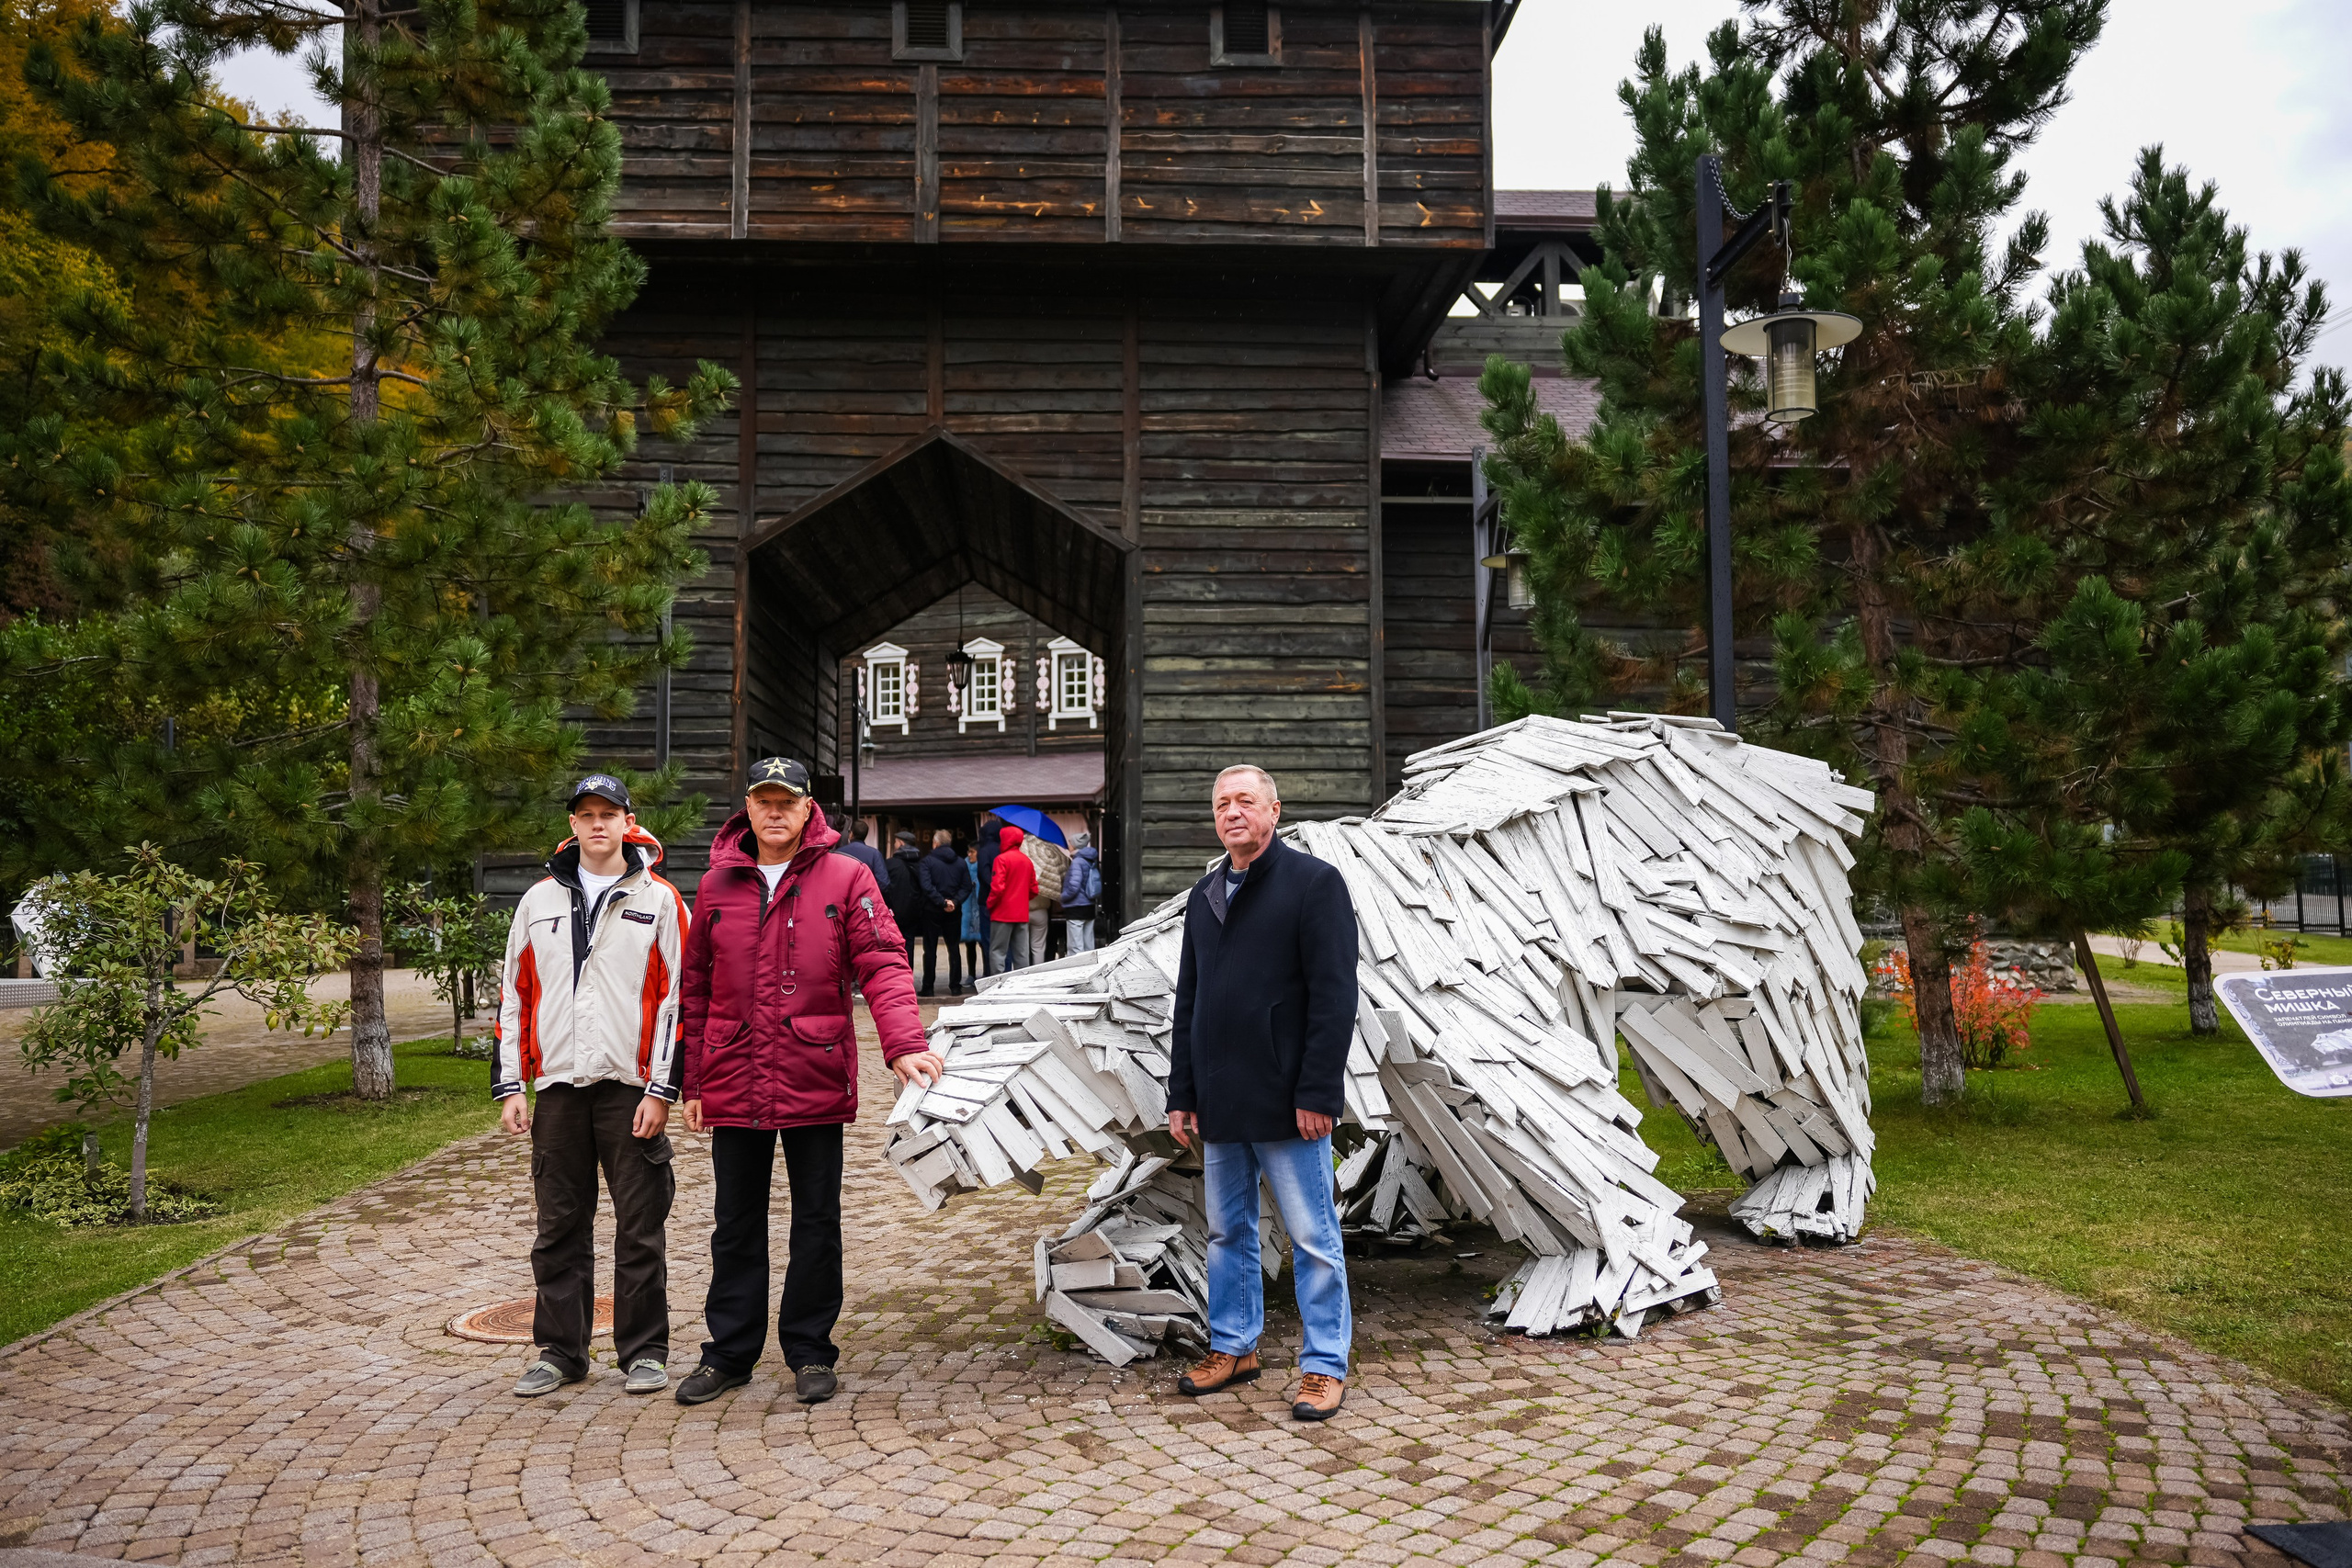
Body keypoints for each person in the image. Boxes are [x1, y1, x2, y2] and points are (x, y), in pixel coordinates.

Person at [675, 756, 943, 1406]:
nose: (774, 811)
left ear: (806, 809)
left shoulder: (846, 877)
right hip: (734, 1071)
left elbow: (881, 959)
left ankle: (809, 1349)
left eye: (786, 801)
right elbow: (697, 987)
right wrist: (690, 1081)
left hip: (812, 1069)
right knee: (735, 1221)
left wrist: (904, 1040)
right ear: (748, 806)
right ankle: (730, 1352)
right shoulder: (716, 885)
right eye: (763, 800)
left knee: (816, 1220)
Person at [1166, 764, 1357, 1422]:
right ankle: (1235, 1346)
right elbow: (1190, 999)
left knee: (1311, 1235)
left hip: (1288, 1100)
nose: (1232, 811)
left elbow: (1334, 998)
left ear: (1275, 809)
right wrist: (1181, 1091)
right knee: (1227, 1231)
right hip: (1221, 1097)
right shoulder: (1206, 892)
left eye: (1246, 799)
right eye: (1222, 802)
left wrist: (1318, 1090)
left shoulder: (1314, 884)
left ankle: (1325, 1364)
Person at [493, 773, 687, 1399]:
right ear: (572, 823)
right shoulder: (536, 902)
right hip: (556, 1087)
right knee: (558, 1225)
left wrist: (661, 1088)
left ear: (629, 821)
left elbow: (678, 1001)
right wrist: (511, 1084)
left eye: (609, 813)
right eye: (586, 813)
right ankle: (560, 1350)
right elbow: (514, 995)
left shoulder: (659, 900)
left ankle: (644, 1352)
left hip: (629, 1086)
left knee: (639, 1222)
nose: (598, 823)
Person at [915, 829, 970, 997]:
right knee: (954, 948)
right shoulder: (961, 862)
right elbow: (966, 886)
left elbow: (926, 886)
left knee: (930, 948)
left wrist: (940, 901)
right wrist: (954, 901)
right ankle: (955, 986)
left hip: (932, 909)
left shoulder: (927, 862)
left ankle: (928, 986)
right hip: (954, 910)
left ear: (935, 843)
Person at [986, 822, 1035, 974]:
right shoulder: (1027, 861)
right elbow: (1034, 889)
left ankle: (998, 987)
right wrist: (1021, 900)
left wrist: (990, 904)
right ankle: (1022, 986)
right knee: (1021, 954)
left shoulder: (1001, 859)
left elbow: (997, 888)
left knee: (998, 952)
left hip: (1002, 913)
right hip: (1021, 913)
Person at [1024, 830, 1069, 965]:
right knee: (1038, 947)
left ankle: (1023, 974)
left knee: (1023, 946)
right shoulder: (1048, 873)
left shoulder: (1027, 859)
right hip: (1042, 912)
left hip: (1024, 910)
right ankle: (1038, 972)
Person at [882, 829, 926, 970]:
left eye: (895, 841)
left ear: (901, 843)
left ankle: (896, 976)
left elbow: (885, 886)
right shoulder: (921, 864)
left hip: (894, 912)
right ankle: (908, 975)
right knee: (909, 945)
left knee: (893, 946)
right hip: (913, 911)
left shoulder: (891, 863)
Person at [1060, 831, 1101, 953]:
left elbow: (1073, 886)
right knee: (1089, 946)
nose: (1069, 846)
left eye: (1070, 843)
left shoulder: (1077, 862)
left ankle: (1077, 971)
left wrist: (1062, 897)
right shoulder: (1089, 860)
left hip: (1076, 907)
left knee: (1075, 947)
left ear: (1076, 845)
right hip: (1089, 905)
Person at [959, 841, 988, 983]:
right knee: (970, 944)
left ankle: (987, 973)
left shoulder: (984, 867)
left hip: (981, 909)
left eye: (972, 852)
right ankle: (971, 974)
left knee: (984, 943)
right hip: (968, 910)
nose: (969, 855)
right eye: (968, 852)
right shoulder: (964, 866)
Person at [836, 818, 888, 884]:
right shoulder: (874, 854)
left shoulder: (839, 853)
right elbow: (883, 882)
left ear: (851, 834)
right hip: (866, 892)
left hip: (843, 892)